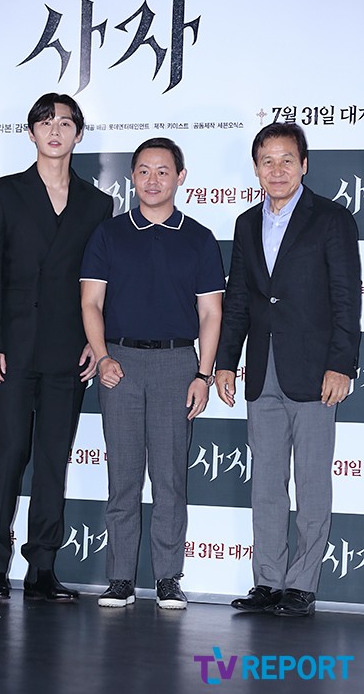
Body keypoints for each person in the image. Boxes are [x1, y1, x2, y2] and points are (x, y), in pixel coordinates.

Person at [215, 122, 361, 616]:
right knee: (266, 483)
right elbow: (238, 298)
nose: (276, 170)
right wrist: (225, 362)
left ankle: (302, 584)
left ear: (304, 165)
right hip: (262, 370)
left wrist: (342, 363)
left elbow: (347, 298)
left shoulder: (332, 219)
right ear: (256, 168)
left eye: (286, 160)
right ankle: (268, 582)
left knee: (313, 480)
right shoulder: (244, 222)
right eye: (266, 161)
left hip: (316, 371)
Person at [0, 92, 113, 601]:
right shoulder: (2, 194)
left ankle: (42, 570)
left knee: (54, 459)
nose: (55, 130)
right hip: (11, 349)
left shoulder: (99, 204)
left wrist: (93, 344)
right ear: (30, 132)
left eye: (65, 122)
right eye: (44, 121)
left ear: (79, 134)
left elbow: (102, 282)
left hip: (66, 355)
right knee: (7, 456)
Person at [81, 137, 224, 608]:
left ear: (180, 177)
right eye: (143, 171)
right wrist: (102, 357)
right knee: (122, 477)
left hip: (176, 365)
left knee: (169, 480)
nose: (153, 180)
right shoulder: (109, 234)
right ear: (132, 178)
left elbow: (210, 314)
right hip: (120, 363)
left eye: (163, 171)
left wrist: (202, 374)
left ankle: (167, 579)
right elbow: (91, 302)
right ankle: (120, 578)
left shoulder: (199, 238)